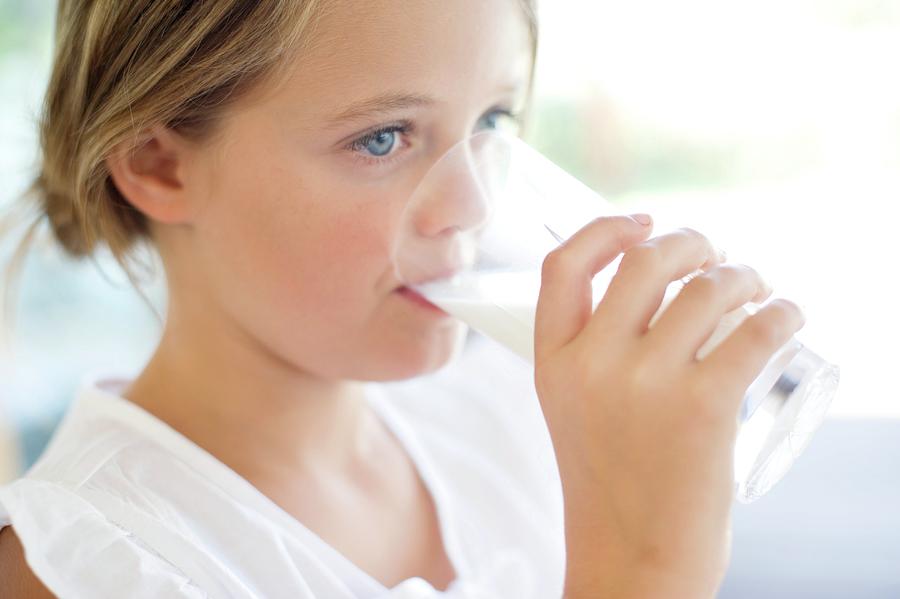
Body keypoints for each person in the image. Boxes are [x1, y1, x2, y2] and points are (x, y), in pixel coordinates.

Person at [0, 0, 805, 597]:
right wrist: (645, 568)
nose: (473, 205)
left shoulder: (503, 409)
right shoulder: (86, 563)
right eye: (382, 138)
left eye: (491, 118)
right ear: (159, 165)